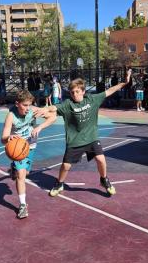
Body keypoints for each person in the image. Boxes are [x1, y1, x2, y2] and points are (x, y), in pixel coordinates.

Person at [36, 69, 132, 197]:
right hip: (75, 140)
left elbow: (110, 91)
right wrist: (45, 108)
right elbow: (55, 107)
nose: (74, 94)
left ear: (83, 91)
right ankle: (59, 183)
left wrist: (124, 82)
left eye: (77, 91)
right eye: (72, 92)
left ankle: (104, 180)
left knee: (101, 159)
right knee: (65, 166)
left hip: (91, 138)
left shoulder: (93, 100)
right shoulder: (68, 104)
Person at [1, 90, 55, 219]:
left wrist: (40, 127)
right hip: (18, 147)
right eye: (25, 105)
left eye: (29, 105)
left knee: (27, 173)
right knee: (21, 175)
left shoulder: (33, 110)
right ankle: (23, 205)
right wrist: (9, 137)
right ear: (17, 103)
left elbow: (53, 117)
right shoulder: (11, 116)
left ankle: (14, 168)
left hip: (30, 146)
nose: (27, 108)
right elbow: (2, 139)